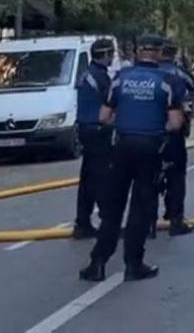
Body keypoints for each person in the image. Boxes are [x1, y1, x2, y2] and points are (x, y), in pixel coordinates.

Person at [80, 34, 181, 282]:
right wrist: (154, 124)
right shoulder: (166, 81)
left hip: (122, 145)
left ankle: (98, 263)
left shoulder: (120, 79)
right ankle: (133, 265)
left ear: (137, 52)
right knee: (141, 207)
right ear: (158, 53)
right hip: (150, 147)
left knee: (113, 208)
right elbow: (176, 123)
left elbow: (104, 116)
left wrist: (124, 121)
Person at [73, 37, 115, 238]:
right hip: (98, 131)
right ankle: (109, 222)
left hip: (85, 129)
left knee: (88, 179)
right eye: (111, 54)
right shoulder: (101, 77)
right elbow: (111, 104)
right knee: (102, 178)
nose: (112, 58)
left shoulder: (86, 75)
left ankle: (82, 222)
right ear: (105, 54)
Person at [155, 41, 193, 238]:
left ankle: (147, 223)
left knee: (148, 178)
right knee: (176, 176)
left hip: (151, 133)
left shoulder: (151, 73)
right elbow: (192, 90)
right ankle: (176, 219)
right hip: (174, 133)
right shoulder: (179, 75)